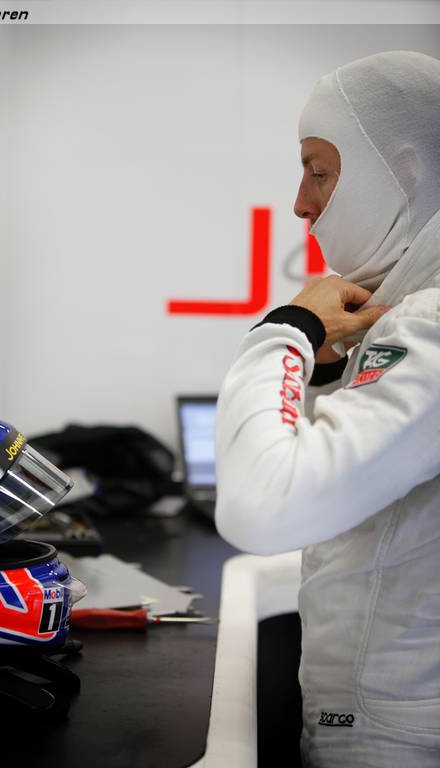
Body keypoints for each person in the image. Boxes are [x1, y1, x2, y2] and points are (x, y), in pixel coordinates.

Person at [214, 50, 440, 767]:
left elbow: (261, 507)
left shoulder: (431, 324)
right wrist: (332, 368)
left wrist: (285, 331)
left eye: (319, 171)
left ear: (404, 172)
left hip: (395, 732)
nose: (301, 203)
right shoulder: (413, 315)